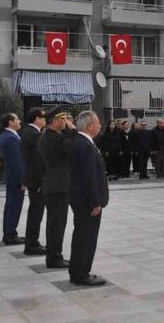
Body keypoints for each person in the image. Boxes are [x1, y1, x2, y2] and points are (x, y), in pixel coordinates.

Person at [67, 111, 108, 286]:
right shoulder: (84, 145)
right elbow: (89, 177)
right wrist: (95, 202)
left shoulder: (80, 142)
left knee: (82, 236)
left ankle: (78, 271)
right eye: (98, 122)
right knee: (86, 237)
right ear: (90, 126)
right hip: (87, 201)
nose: (100, 125)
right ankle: (81, 274)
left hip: (80, 198)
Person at [39, 107, 75, 269]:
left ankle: (54, 256)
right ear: (54, 121)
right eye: (63, 119)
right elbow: (75, 144)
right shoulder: (55, 138)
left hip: (54, 184)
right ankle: (54, 258)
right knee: (57, 225)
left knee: (55, 223)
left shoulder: (48, 136)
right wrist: (72, 129)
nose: (66, 122)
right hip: (58, 186)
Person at [21, 108, 47, 256]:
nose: (44, 121)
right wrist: (40, 181)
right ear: (37, 119)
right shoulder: (34, 134)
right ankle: (31, 245)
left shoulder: (29, 132)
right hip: (36, 180)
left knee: (35, 212)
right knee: (36, 213)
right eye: (43, 118)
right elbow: (37, 161)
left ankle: (32, 242)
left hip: (33, 179)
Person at [0, 113, 25, 245]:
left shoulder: (7, 135)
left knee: (10, 206)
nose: (19, 121)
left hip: (11, 176)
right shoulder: (11, 138)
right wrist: (23, 179)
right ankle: (10, 235)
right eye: (17, 119)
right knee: (14, 206)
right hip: (15, 177)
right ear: (10, 122)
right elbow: (17, 162)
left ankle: (9, 233)